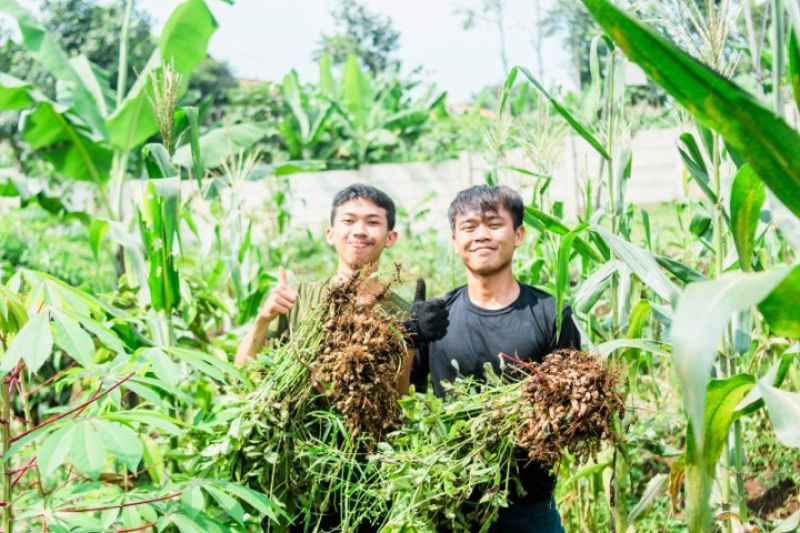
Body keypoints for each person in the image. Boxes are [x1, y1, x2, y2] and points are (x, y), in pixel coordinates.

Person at [411, 184, 580, 532]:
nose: (481, 235)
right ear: (455, 240)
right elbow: (400, 395)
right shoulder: (436, 318)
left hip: (529, 506)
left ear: (518, 234)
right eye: (469, 227)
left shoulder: (550, 313)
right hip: (451, 501)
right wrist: (409, 337)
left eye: (494, 224)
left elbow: (574, 410)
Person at [235, 183, 449, 391]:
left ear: (390, 238)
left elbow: (402, 402)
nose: (359, 231)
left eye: (372, 223)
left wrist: (409, 339)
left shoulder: (403, 315)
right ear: (330, 234)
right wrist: (263, 319)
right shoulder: (296, 297)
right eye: (348, 221)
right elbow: (242, 374)